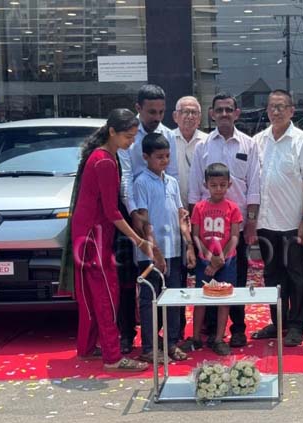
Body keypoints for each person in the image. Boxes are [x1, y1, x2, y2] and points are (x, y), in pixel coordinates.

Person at [70, 108, 151, 372]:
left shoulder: (102, 155)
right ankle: (113, 357)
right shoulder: (104, 161)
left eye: (134, 136)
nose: (132, 142)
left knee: (91, 295)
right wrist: (138, 240)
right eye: (128, 137)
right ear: (112, 132)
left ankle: (86, 347)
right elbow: (112, 212)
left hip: (86, 234)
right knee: (106, 295)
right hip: (94, 236)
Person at [188, 92, 260, 348]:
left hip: (234, 227)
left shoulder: (249, 145)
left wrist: (251, 222)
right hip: (207, 230)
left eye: (229, 109)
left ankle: (238, 329)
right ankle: (209, 332)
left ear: (237, 113)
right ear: (212, 114)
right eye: (219, 110)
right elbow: (195, 190)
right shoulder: (203, 146)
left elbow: (254, 187)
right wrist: (193, 232)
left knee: (235, 280)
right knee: (206, 279)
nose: (224, 114)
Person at [251, 89, 303, 347]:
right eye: (272, 107)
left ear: (292, 111)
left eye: (281, 107)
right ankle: (277, 322)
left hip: (293, 223)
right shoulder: (258, 141)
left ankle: (296, 326)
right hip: (265, 222)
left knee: (296, 275)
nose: (276, 111)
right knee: (272, 275)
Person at [117, 84, 178, 354]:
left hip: (166, 222)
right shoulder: (129, 135)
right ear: (138, 108)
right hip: (134, 213)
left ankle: (168, 339)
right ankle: (132, 336)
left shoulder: (168, 135)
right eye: (151, 112)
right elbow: (126, 178)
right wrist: (135, 215)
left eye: (161, 112)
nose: (157, 117)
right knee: (136, 283)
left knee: (171, 285)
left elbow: (172, 175)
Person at [133, 133, 196, 363]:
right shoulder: (141, 182)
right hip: (150, 254)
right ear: (146, 157)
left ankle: (171, 343)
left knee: (173, 298)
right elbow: (143, 222)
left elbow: (181, 217)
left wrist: (189, 246)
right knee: (149, 300)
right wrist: (155, 253)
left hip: (174, 250)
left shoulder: (172, 182)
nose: (165, 161)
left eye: (167, 156)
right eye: (159, 157)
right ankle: (149, 347)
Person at [183, 163, 243, 356]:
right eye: (214, 185)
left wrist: (220, 259)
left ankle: (218, 338)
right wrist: (208, 257)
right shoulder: (199, 207)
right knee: (201, 298)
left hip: (227, 261)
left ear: (229, 185)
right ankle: (196, 338)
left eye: (222, 185)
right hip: (204, 261)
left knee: (224, 300)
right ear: (206, 185)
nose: (218, 189)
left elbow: (235, 237)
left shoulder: (233, 208)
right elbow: (196, 235)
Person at [172, 96, 208, 340]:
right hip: (172, 216)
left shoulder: (208, 141)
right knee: (176, 275)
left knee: (204, 273)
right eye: (184, 111)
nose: (189, 116)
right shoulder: (167, 139)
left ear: (200, 117)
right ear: (175, 116)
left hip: (202, 218)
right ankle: (176, 327)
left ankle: (205, 327)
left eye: (194, 112)